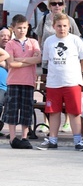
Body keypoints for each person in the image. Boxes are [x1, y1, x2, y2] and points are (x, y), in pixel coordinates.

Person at [37, 14, 83, 151]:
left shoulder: (75, 40)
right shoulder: (49, 41)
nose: (62, 29)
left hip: (71, 82)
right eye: (59, 26)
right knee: (54, 112)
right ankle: (53, 140)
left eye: (65, 26)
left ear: (69, 27)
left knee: (74, 112)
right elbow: (47, 61)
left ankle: (78, 141)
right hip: (54, 83)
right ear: (54, 26)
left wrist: (79, 71)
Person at [4, 15, 42, 149]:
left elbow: (37, 59)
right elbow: (11, 63)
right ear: (13, 28)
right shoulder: (10, 44)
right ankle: (13, 137)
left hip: (28, 81)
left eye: (24, 27)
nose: (22, 30)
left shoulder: (33, 42)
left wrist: (21, 59)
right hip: (14, 81)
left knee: (26, 109)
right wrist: (28, 60)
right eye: (19, 28)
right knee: (12, 109)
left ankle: (25, 136)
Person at [0, 29, 9, 133]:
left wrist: (4, 64)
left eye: (7, 35)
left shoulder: (12, 49)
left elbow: (12, 66)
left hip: (4, 86)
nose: (5, 38)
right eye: (2, 36)